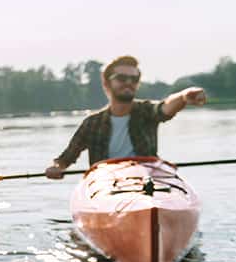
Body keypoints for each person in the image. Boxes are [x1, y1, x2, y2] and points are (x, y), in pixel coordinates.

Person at [44, 55, 207, 178]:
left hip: (146, 179)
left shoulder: (146, 111)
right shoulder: (92, 123)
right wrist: (57, 168)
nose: (128, 82)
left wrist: (185, 96)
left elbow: (165, 107)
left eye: (134, 79)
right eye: (121, 78)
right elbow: (65, 159)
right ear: (107, 84)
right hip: (106, 184)